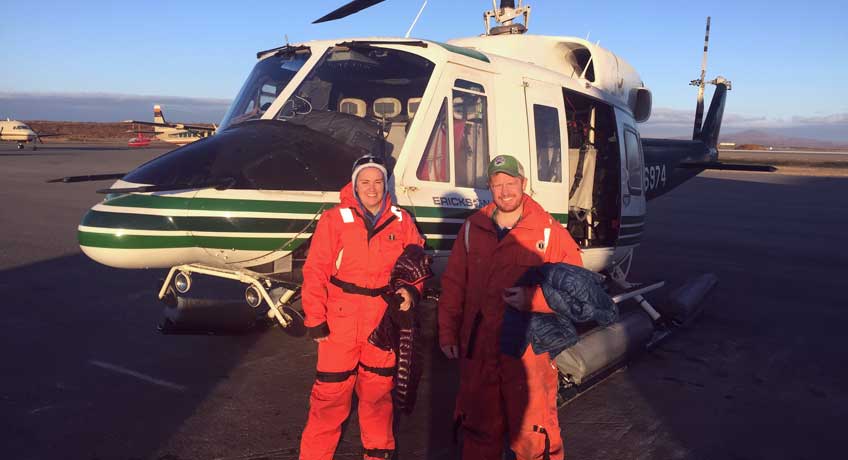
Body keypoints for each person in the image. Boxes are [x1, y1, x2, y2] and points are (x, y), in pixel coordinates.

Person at [438, 154, 584, 460]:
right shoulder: (472, 229)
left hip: (529, 354)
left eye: (511, 183)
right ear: (490, 187)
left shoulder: (548, 231)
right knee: (478, 428)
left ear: (523, 183)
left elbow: (577, 290)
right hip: (480, 350)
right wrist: (448, 333)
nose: (505, 191)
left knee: (534, 434)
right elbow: (453, 285)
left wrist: (534, 299)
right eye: (497, 184)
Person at [299, 155, 425, 460]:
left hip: (381, 323)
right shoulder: (334, 219)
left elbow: (417, 262)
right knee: (329, 398)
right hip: (339, 323)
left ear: (385, 184)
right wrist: (315, 318)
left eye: (378, 181)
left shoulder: (402, 220)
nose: (372, 188)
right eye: (365, 182)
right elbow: (315, 270)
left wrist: (411, 290)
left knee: (378, 397)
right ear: (354, 185)